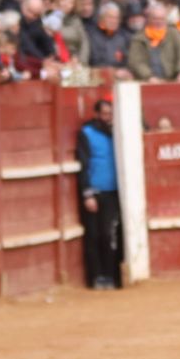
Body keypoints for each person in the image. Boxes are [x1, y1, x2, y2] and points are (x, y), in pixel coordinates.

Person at [75, 97, 121, 290]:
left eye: (111, 114)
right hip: (95, 191)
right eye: (105, 114)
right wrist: (87, 194)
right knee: (94, 236)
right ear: (96, 114)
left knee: (109, 235)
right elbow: (83, 165)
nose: (108, 117)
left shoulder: (118, 130)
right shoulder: (87, 133)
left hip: (113, 192)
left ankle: (111, 276)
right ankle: (96, 277)